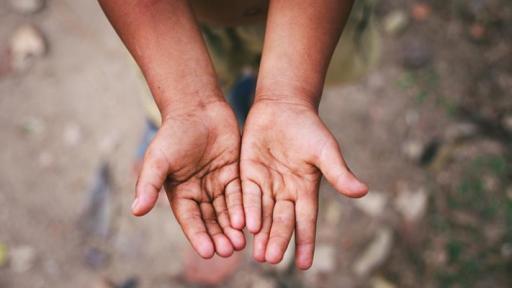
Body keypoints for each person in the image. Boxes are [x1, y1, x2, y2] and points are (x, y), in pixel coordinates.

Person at [99, 0, 377, 272]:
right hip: (176, 29)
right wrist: (186, 104)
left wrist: (289, 94)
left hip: (309, 22)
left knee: (313, 73)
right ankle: (176, 120)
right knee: (174, 110)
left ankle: (255, 91)